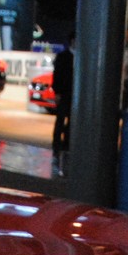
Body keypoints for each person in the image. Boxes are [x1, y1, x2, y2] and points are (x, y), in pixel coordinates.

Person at [51, 35, 74, 176]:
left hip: (73, 94)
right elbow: (57, 74)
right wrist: (57, 91)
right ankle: (57, 146)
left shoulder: (77, 56)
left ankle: (66, 145)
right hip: (64, 93)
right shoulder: (63, 56)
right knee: (60, 120)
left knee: (70, 121)